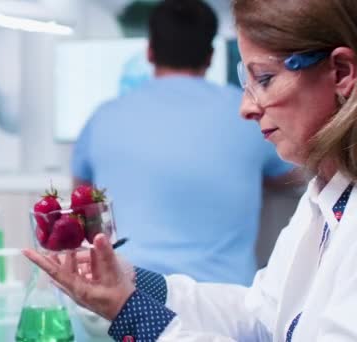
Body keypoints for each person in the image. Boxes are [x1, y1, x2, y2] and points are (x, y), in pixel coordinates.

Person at [26, 0, 357, 340]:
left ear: (342, 72)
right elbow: (257, 316)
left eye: (265, 79)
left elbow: (86, 205)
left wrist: (133, 312)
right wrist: (133, 283)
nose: (245, 108)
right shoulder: (326, 199)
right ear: (211, 55)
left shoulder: (102, 117)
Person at [72, 0, 298, 285]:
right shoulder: (251, 111)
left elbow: (82, 199)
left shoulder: (103, 117)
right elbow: (293, 173)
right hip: (226, 308)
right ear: (211, 55)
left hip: (126, 298)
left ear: (150, 52)